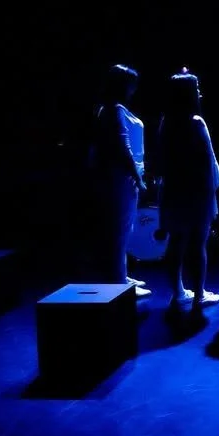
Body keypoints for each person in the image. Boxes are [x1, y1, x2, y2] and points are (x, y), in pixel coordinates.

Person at [159, 70, 219, 317]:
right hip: (197, 191)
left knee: (176, 242)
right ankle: (199, 294)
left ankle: (178, 293)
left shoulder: (167, 121)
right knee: (198, 243)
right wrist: (214, 187)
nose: (200, 93)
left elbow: (163, 159)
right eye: (196, 89)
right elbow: (209, 161)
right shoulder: (196, 122)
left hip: (174, 190)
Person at [88, 64, 150, 296]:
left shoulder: (116, 109)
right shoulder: (113, 110)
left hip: (123, 178)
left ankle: (121, 275)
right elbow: (123, 148)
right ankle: (118, 282)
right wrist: (137, 177)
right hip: (120, 179)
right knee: (118, 230)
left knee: (124, 228)